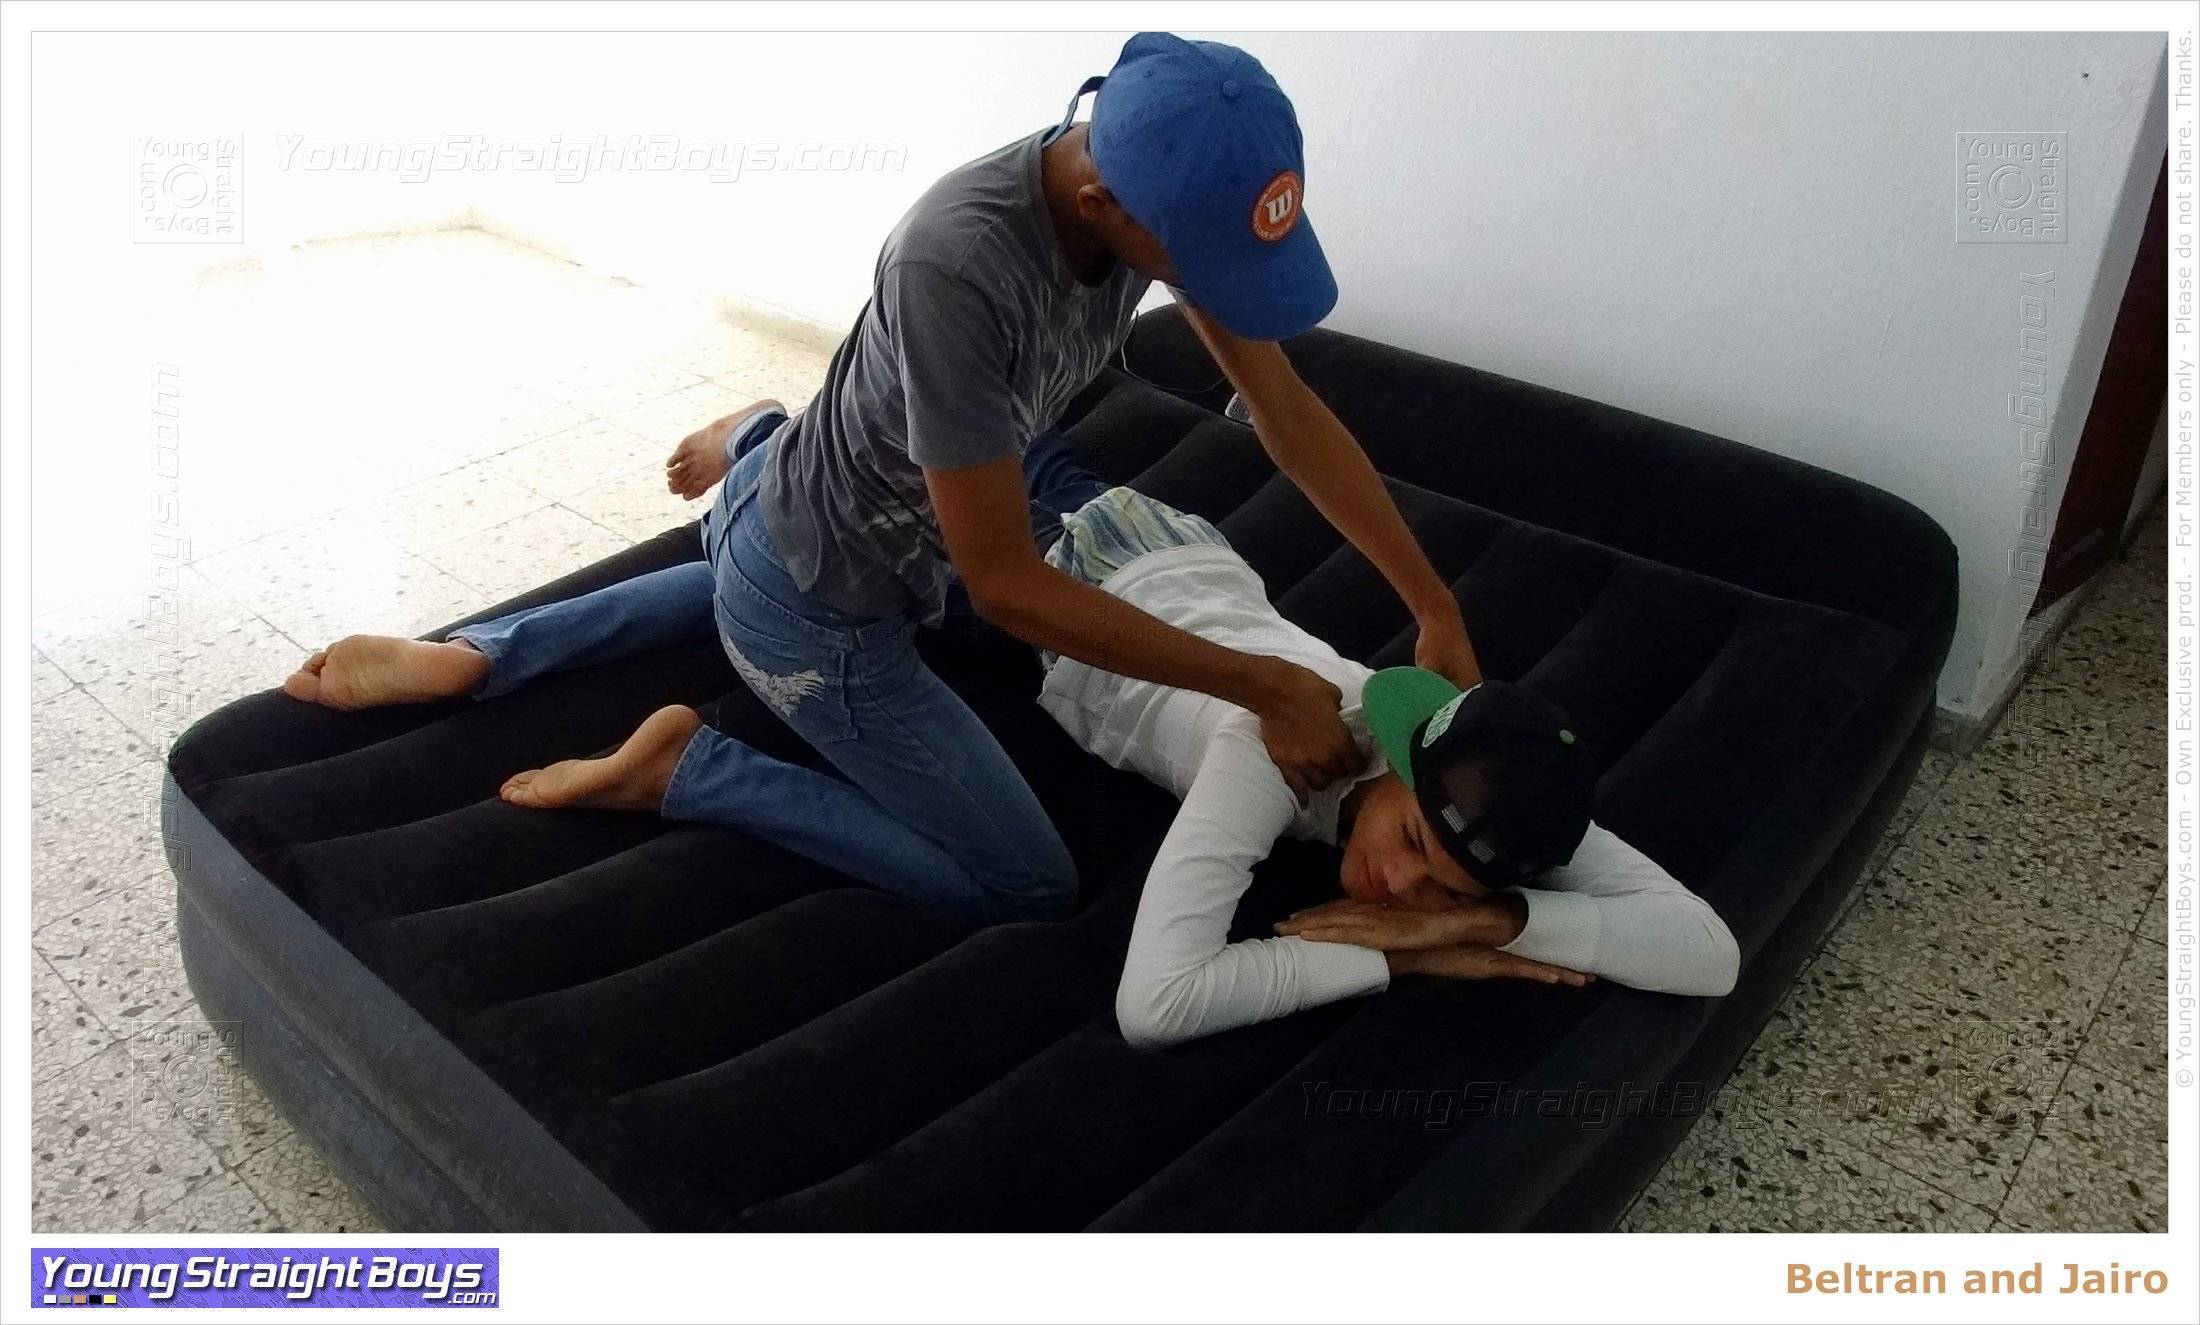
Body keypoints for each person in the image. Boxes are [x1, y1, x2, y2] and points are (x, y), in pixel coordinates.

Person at [281, 32, 1479, 926]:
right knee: (1022, 878)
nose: (1213, 286)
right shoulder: (956, 264)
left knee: (778, 542)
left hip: (856, 514)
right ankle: (688, 768)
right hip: (829, 606)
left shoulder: (1149, 177)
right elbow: (1006, 585)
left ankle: (512, 632)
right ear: (1102, 199)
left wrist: (1432, 603)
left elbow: (1286, 412)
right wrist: (1264, 683)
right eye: (1203, 262)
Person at [1014, 476, 1742, 1049]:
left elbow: (1711, 953)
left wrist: (1476, 925)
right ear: (1400, 754)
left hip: (1195, 571)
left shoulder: (1507, 801)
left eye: (1445, 892)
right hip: (1074, 574)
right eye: (1412, 839)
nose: (1396, 887)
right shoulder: (1272, 753)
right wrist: (1399, 958)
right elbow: (1158, 1004)